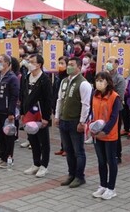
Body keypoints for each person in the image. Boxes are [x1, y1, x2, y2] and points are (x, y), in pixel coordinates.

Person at [54, 57, 92, 188]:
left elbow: (86, 104)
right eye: (68, 64)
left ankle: (79, 176)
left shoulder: (83, 83)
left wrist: (82, 122)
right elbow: (59, 99)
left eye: (71, 65)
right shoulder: (64, 81)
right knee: (68, 150)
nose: (68, 67)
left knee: (78, 151)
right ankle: (71, 174)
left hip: (75, 121)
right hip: (64, 120)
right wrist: (57, 116)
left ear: (79, 67)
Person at [21, 54, 53, 178]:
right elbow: (23, 95)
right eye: (28, 61)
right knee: (32, 139)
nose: (29, 63)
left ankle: (44, 166)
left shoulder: (45, 79)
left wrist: (46, 117)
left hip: (40, 115)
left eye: (32, 62)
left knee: (43, 141)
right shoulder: (27, 76)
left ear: (39, 64)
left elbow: (48, 99)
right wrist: (23, 112)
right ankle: (36, 163)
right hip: (29, 114)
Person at [90, 71, 121, 200]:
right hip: (96, 133)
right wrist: (92, 127)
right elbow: (91, 113)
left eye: (102, 80)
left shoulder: (114, 96)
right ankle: (102, 185)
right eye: (97, 80)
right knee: (101, 161)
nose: (99, 82)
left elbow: (114, 117)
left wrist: (105, 131)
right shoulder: (94, 94)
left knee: (111, 161)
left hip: (109, 134)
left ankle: (111, 188)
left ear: (108, 82)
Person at [0, 54, 20, 169]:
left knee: (8, 136)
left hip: (7, 112)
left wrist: (11, 112)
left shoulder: (12, 78)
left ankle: (8, 158)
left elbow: (14, 97)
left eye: (1, 61)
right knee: (0, 136)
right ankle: (2, 157)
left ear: (8, 64)